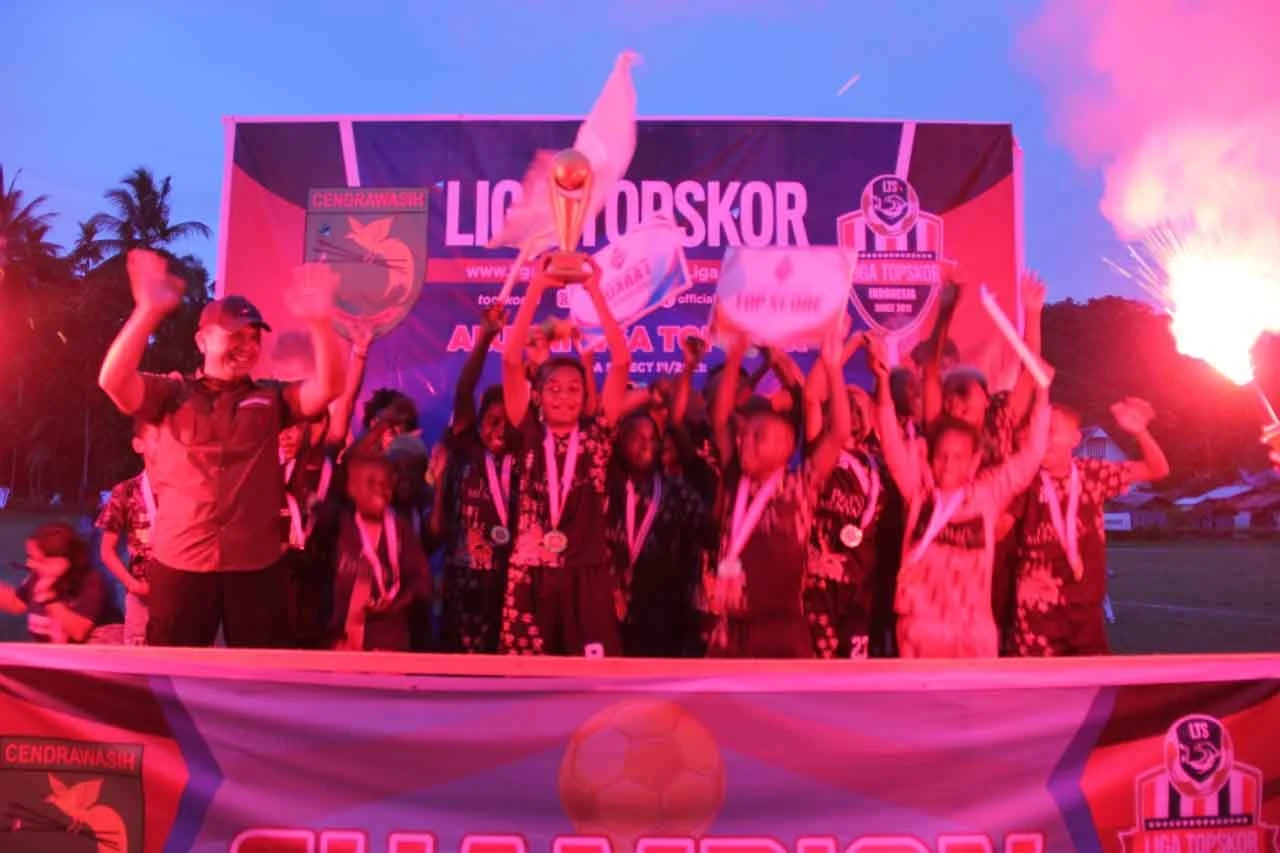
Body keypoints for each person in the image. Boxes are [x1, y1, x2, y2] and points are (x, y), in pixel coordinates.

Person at [96, 250, 345, 647]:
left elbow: (330, 387)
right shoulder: (172, 393)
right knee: (172, 672)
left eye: (254, 337)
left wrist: (320, 321)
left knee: (259, 673)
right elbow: (113, 381)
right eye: (235, 334)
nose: (248, 345)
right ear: (202, 340)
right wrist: (147, 311)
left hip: (256, 567)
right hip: (181, 563)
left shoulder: (272, 400)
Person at [871, 334, 1051, 659]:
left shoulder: (988, 495)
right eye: (941, 455)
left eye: (958, 456)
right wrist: (882, 382)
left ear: (974, 461)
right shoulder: (918, 492)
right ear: (931, 457)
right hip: (919, 627)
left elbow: (1033, 454)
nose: (948, 464)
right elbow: (890, 440)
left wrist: (1043, 392)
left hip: (973, 629)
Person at [498, 254, 631, 656]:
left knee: (590, 682)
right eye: (553, 388)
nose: (563, 396)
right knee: (526, 682)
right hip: (530, 574)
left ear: (586, 395)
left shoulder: (597, 438)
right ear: (537, 396)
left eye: (574, 389)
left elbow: (621, 361)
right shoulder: (527, 433)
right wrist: (536, 288)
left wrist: (594, 291)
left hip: (586, 573)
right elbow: (510, 359)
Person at [703, 322, 851, 659]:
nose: (744, 442)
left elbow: (839, 432)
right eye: (743, 436)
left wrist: (832, 367)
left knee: (789, 693)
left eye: (757, 437)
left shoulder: (800, 486)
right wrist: (736, 354)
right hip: (731, 626)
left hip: (783, 626)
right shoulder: (735, 478)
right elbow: (721, 418)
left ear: (785, 446)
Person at [1010, 400, 1169, 656]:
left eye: (1050, 431)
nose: (1042, 439)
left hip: (1085, 609)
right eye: (1037, 431)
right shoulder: (1022, 478)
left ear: (1075, 439)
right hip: (1035, 612)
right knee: (1038, 680)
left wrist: (1140, 432)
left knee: (1091, 679)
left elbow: (1157, 469)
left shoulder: (1092, 473)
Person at [434, 305, 514, 653]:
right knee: (459, 661)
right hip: (463, 574)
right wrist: (485, 338)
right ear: (478, 420)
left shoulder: (523, 457)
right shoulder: (466, 446)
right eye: (493, 420)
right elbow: (465, 390)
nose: (499, 429)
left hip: (510, 576)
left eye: (507, 422)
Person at [605, 412, 711, 658]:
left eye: (652, 438)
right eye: (637, 438)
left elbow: (707, 532)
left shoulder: (677, 490)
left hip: (664, 610)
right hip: (611, 605)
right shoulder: (606, 488)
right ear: (620, 441)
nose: (647, 445)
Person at [319, 453, 431, 651]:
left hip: (389, 641)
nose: (380, 489)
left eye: (386, 484)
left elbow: (421, 583)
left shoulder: (402, 531)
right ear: (351, 488)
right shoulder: (338, 527)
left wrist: (396, 603)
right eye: (371, 483)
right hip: (341, 643)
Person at [0, 523, 122, 643]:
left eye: (36, 559)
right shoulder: (38, 577)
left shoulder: (91, 582)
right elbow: (16, 603)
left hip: (82, 654)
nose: (29, 564)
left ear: (60, 562)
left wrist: (48, 598)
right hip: (45, 654)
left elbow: (78, 631)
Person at [96, 421, 160, 645]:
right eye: (158, 439)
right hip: (141, 594)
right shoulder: (126, 491)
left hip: (181, 592)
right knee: (139, 659)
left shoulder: (187, 490)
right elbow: (106, 551)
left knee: (184, 656)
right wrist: (131, 584)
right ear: (138, 445)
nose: (165, 446)